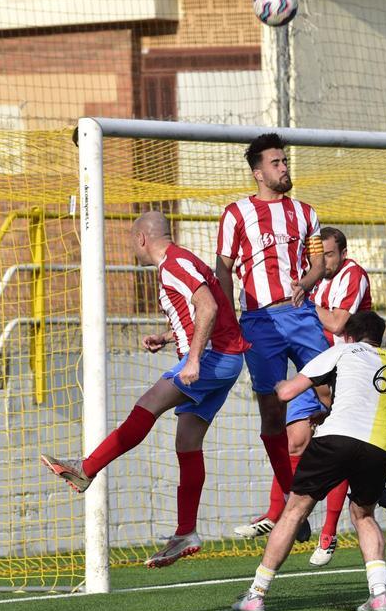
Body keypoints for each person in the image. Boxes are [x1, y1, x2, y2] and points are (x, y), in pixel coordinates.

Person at [40, 212, 249, 568]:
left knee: (147, 405)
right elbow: (206, 312)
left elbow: (210, 307)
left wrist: (194, 359)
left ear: (141, 238)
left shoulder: (173, 264)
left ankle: (87, 469)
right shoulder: (181, 260)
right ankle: (186, 531)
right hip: (224, 357)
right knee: (187, 442)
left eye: (129, 240)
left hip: (214, 358)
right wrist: (169, 337)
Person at [232, 311, 386, 611]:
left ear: (349, 336)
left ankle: (256, 594)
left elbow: (287, 392)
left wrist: (270, 384)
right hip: (379, 447)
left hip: (336, 439)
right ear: (380, 337)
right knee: (364, 516)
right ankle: (379, 594)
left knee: (295, 511)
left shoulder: (340, 350)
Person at [216, 133, 328, 539]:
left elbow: (319, 263)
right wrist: (228, 316)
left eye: (285, 161)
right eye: (277, 163)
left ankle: (357, 469)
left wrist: (308, 279)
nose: (284, 168)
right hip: (259, 321)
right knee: (270, 411)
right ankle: (291, 497)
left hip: (299, 313)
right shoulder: (236, 213)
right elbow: (223, 268)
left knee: (333, 389)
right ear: (258, 172)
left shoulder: (306, 212)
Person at [304, 226, 386, 566]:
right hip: (325, 369)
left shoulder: (352, 274)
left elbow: (339, 322)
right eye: (320, 254)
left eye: (329, 254)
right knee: (298, 439)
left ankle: (327, 535)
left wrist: (305, 306)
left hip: (355, 372)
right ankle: (288, 516)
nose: (324, 261)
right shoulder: (316, 279)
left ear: (341, 252)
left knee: (340, 449)